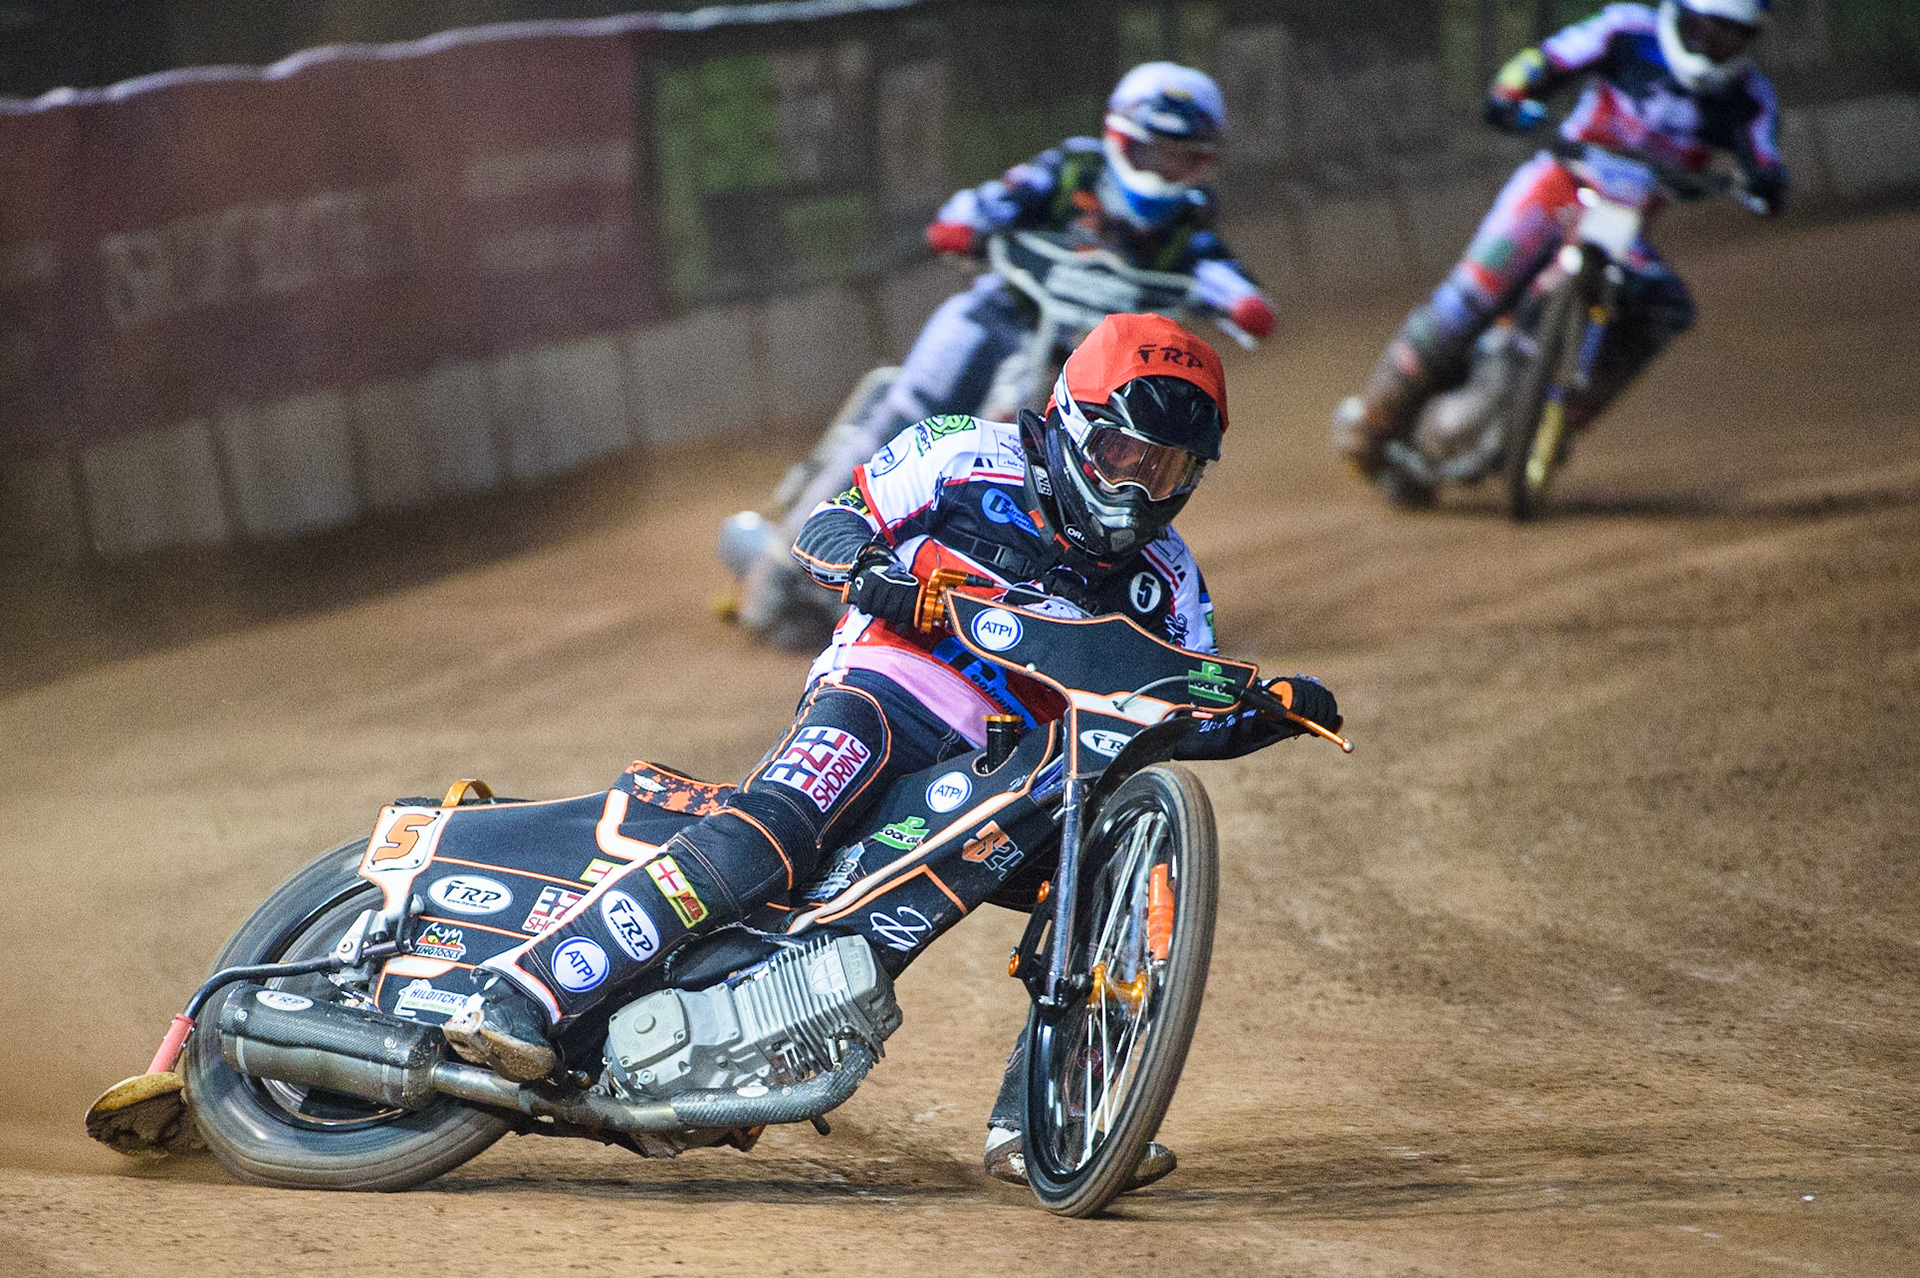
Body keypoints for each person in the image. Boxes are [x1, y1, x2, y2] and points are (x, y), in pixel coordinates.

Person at [444, 312, 1340, 1189]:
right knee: (777, 828)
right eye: (1122, 455)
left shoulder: (1170, 579)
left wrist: (1263, 712)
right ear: (1072, 422)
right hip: (886, 693)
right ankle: (523, 993)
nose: (1139, 487)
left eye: (1167, 468)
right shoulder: (962, 452)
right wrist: (877, 575)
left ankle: (1050, 1118)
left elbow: (1177, 706)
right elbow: (827, 526)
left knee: (1118, 871)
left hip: (1009, 768)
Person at [733, 60, 1274, 645]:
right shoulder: (1074, 169)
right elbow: (994, 200)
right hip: (999, 314)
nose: (1164, 170)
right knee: (915, 403)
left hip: (1082, 363)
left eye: (1180, 159)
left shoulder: (1190, 220)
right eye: (1153, 151)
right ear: (1121, 138)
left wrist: (1242, 301)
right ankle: (787, 561)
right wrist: (966, 223)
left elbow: (1219, 268)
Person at [1332, 0, 1788, 483]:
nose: (1713, 44)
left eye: (1730, 35)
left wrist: (1765, 183)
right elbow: (1546, 60)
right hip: (1558, 184)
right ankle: (1375, 418)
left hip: (1623, 223)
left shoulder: (1751, 96)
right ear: (1680, 15)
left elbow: (1766, 160)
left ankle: (1557, 424)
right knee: (1469, 295)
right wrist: (1512, 91)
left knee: (1667, 309)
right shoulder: (1628, 30)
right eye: (1706, 28)